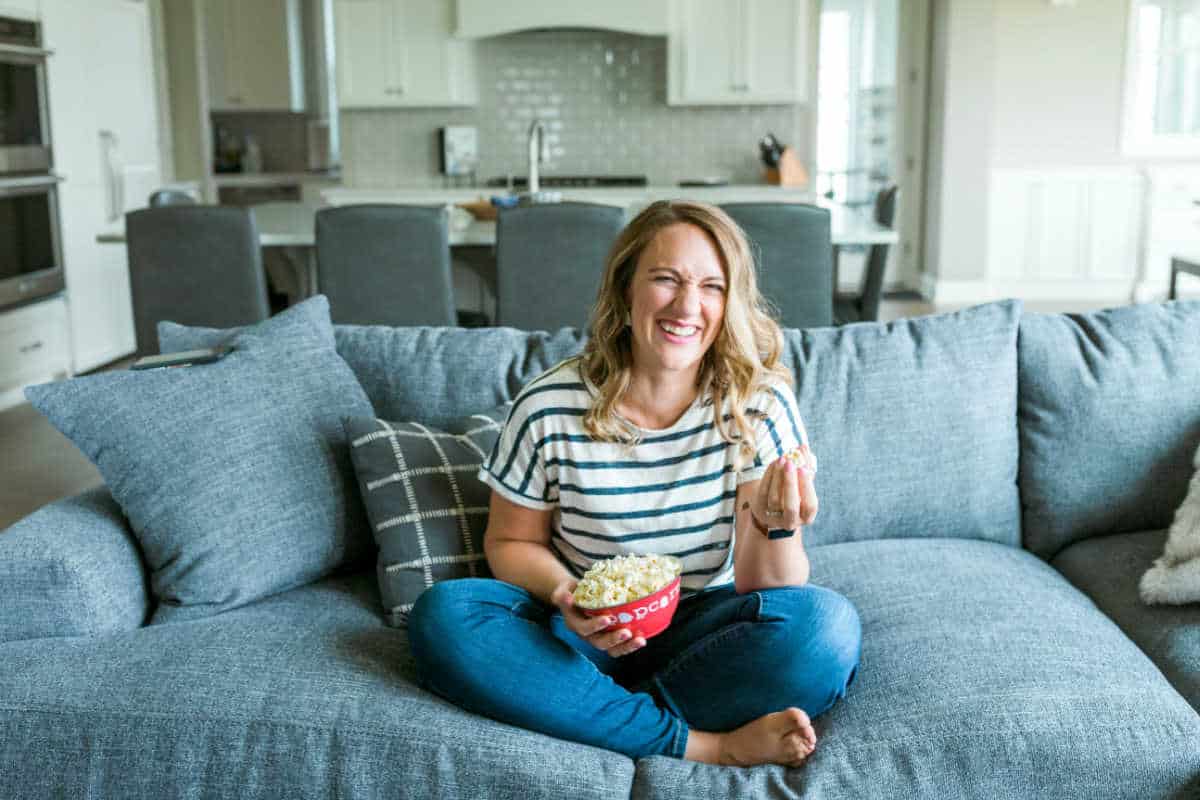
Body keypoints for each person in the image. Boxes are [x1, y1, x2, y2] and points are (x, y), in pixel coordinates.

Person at [408, 199, 861, 767]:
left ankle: (584, 713)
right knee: (445, 617)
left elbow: (766, 585)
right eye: (666, 279)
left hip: (707, 628)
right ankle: (703, 745)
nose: (687, 305)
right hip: (580, 634)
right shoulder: (549, 405)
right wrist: (566, 598)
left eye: (712, 287)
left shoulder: (758, 404)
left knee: (826, 630)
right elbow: (510, 542)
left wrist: (776, 525)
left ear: (730, 303)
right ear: (625, 290)